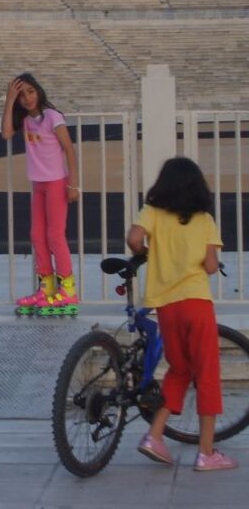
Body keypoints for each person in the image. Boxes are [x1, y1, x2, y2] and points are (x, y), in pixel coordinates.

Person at [127, 156, 237, 471]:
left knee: (178, 369)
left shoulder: (153, 213)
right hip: (196, 303)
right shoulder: (204, 221)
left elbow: (134, 238)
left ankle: (154, 436)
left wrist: (143, 253)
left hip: (166, 305)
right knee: (207, 374)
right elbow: (212, 266)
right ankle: (206, 453)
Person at [2, 73, 80, 312]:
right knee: (37, 235)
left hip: (56, 182)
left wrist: (73, 184)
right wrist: (9, 100)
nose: (27, 98)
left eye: (31, 91)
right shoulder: (26, 119)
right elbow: (6, 133)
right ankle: (46, 286)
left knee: (55, 235)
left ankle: (67, 289)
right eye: (22, 94)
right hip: (38, 184)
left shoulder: (52, 117)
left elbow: (69, 149)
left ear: (39, 91)